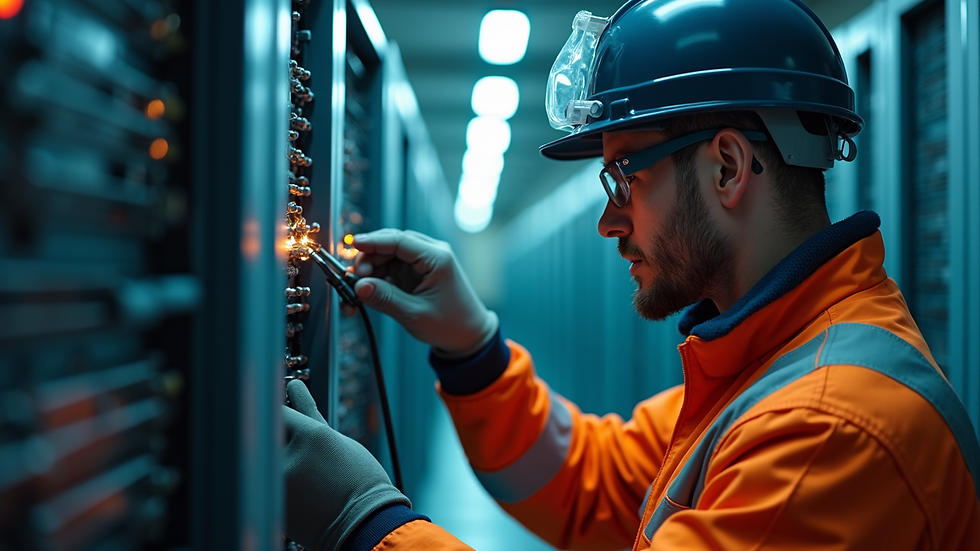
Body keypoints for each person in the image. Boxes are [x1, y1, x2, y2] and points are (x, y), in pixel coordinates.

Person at [282, 0, 980, 549]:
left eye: (624, 176)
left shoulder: (830, 430)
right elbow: (587, 485)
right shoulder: (765, 366)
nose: (609, 222)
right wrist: (472, 350)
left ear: (727, 168)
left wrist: (360, 521)